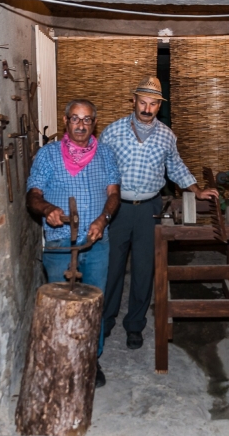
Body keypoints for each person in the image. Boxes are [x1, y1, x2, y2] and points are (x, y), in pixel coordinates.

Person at [99, 76, 218, 350]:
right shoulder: (112, 132)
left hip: (149, 210)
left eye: (153, 104)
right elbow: (100, 169)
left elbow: (176, 167)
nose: (147, 108)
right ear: (134, 101)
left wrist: (197, 191)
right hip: (117, 209)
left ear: (158, 106)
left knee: (144, 269)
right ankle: (105, 321)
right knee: (112, 268)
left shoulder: (166, 136)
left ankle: (135, 325)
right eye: (143, 102)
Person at [26, 99, 120, 388]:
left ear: (94, 123)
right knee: (61, 305)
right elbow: (33, 194)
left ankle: (92, 360)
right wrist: (46, 210)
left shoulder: (105, 154)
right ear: (65, 121)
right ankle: (61, 361)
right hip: (59, 244)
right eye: (75, 119)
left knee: (93, 302)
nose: (81, 124)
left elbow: (114, 194)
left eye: (87, 119)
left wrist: (103, 219)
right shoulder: (48, 155)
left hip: (95, 243)